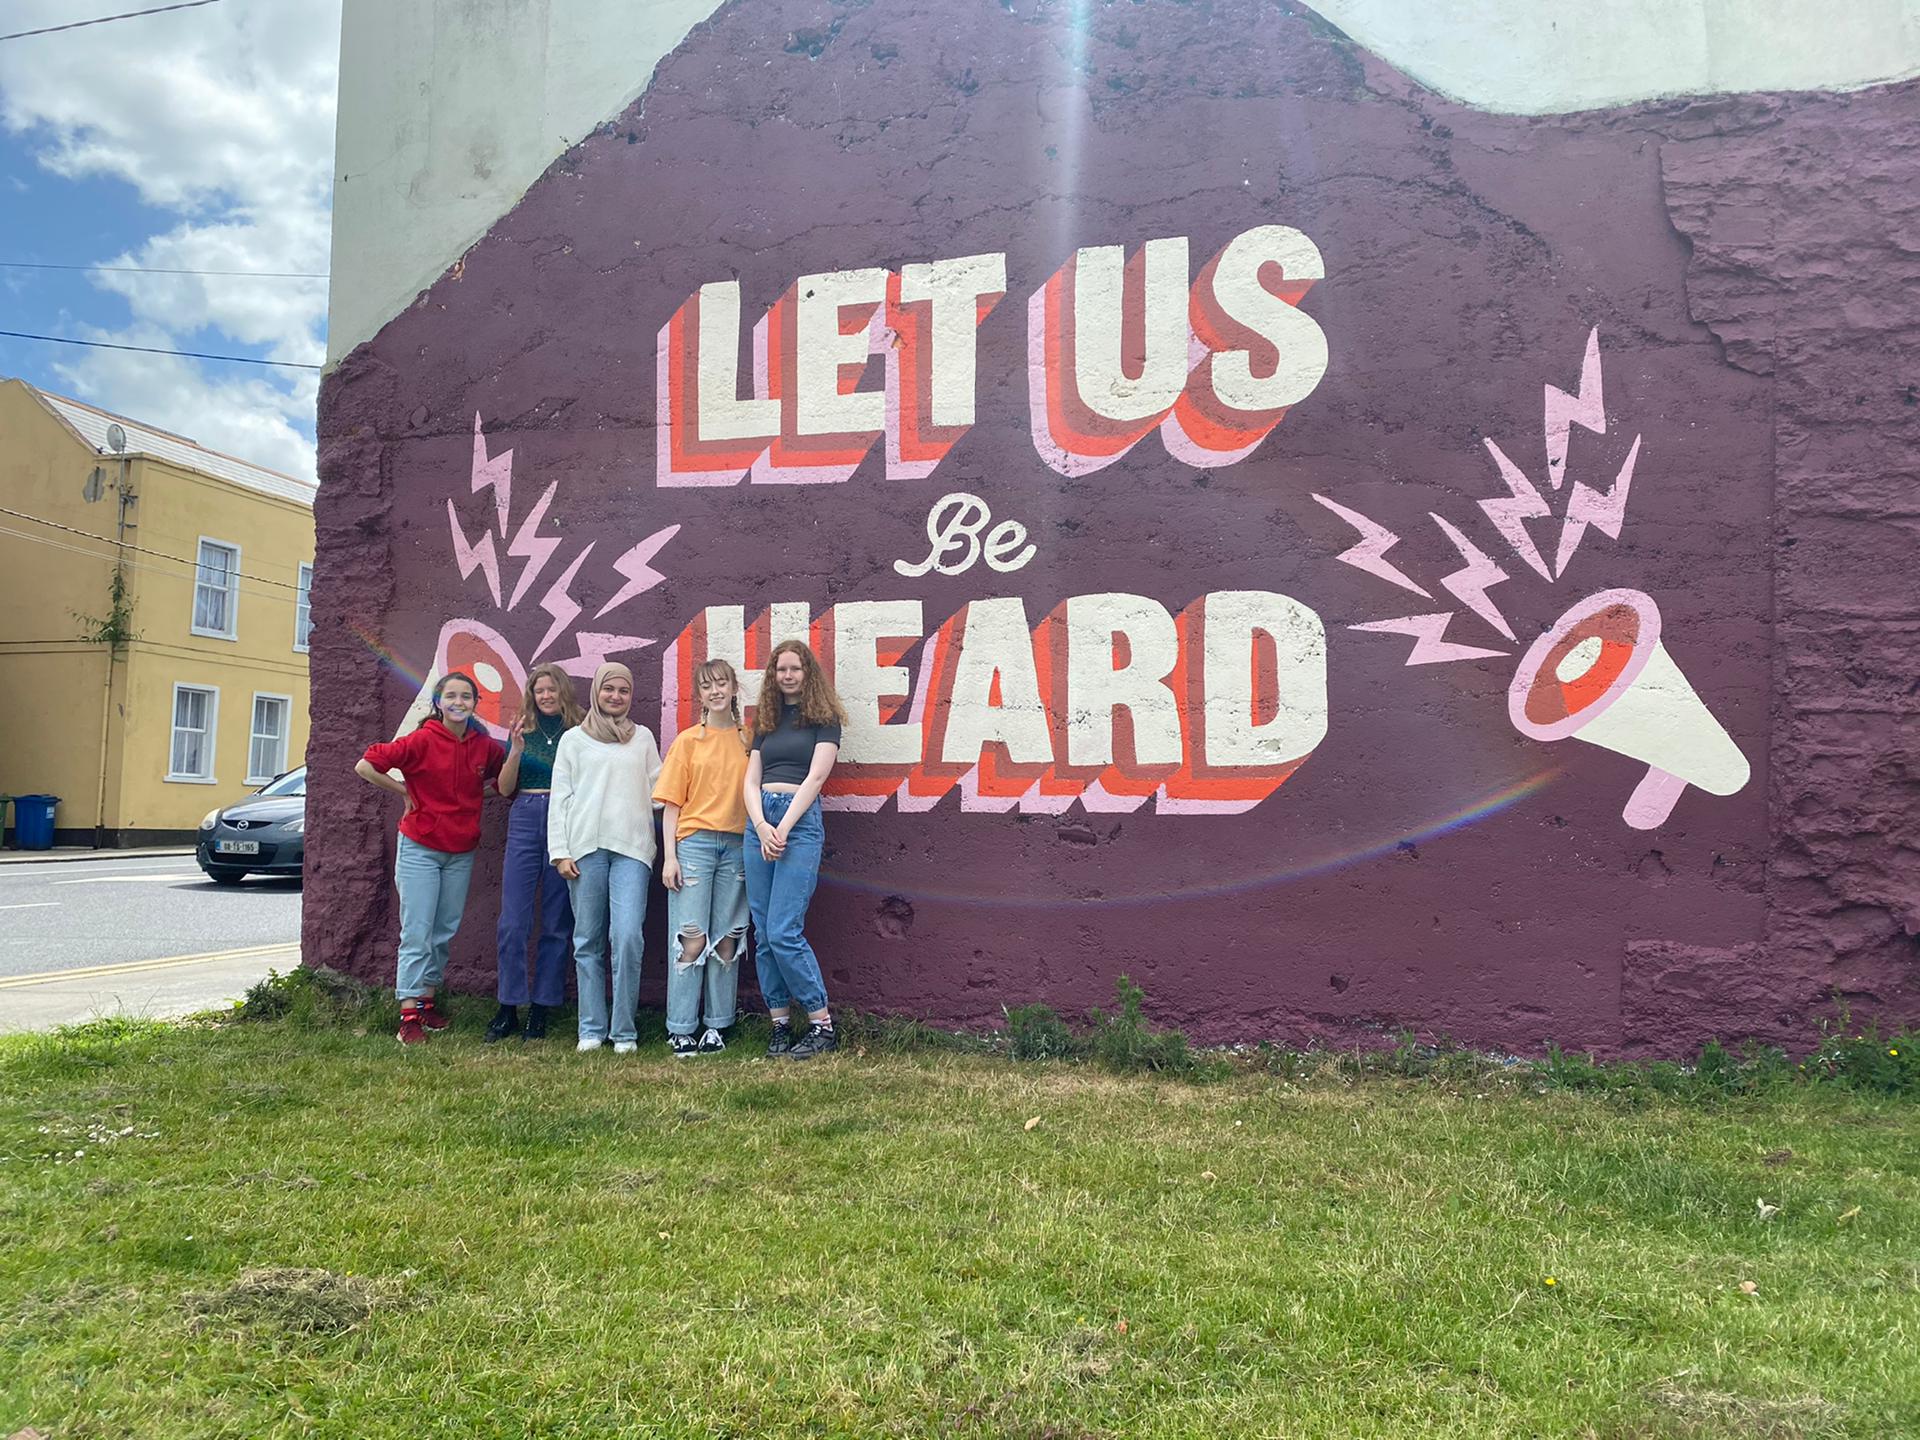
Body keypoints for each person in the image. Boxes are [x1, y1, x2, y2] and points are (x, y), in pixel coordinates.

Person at [354, 671, 506, 1046]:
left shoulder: (484, 747)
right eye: (450, 696)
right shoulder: (422, 740)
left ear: (474, 704)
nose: (458, 702)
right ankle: (408, 1016)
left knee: (443, 931)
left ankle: (427, 1001)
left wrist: (472, 799)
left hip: (460, 851)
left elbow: (504, 785)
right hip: (420, 847)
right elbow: (366, 765)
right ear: (438, 702)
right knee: (418, 932)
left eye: (466, 697)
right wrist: (404, 791)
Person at [548, 661, 661, 1054]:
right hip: (585, 850)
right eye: (608, 689)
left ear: (631, 696)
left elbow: (659, 789)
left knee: (628, 936)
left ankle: (624, 1030)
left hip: (632, 850)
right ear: (596, 692)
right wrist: (559, 852)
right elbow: (559, 798)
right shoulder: (573, 741)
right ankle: (591, 1028)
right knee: (588, 940)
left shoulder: (643, 738)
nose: (616, 697)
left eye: (623, 691)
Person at [743, 638, 845, 1060]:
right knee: (764, 934)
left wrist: (781, 828)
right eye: (780, 669)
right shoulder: (765, 720)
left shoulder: (825, 719)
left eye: (795, 669)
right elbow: (749, 780)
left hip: (798, 824)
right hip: (759, 822)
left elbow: (817, 777)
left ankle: (822, 1026)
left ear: (807, 673)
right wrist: (762, 824)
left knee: (785, 930)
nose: (787, 675)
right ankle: (780, 1025)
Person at [655, 658, 751, 1058]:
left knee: (728, 938)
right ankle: (681, 1027)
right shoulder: (687, 742)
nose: (715, 691)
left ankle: (717, 1025)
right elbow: (671, 804)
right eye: (707, 686)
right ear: (700, 695)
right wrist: (669, 858)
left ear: (733, 689)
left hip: (737, 846)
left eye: (722, 684)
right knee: (690, 938)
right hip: (693, 845)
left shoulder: (750, 740)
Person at [486, 662, 584, 1043]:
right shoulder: (522, 728)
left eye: (551, 689)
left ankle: (541, 1008)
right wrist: (516, 752)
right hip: (526, 815)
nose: (545, 696)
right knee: (513, 920)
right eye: (539, 690)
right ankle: (508, 1006)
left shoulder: (578, 730)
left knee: (557, 921)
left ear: (562, 691)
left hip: (566, 818)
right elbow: (505, 787)